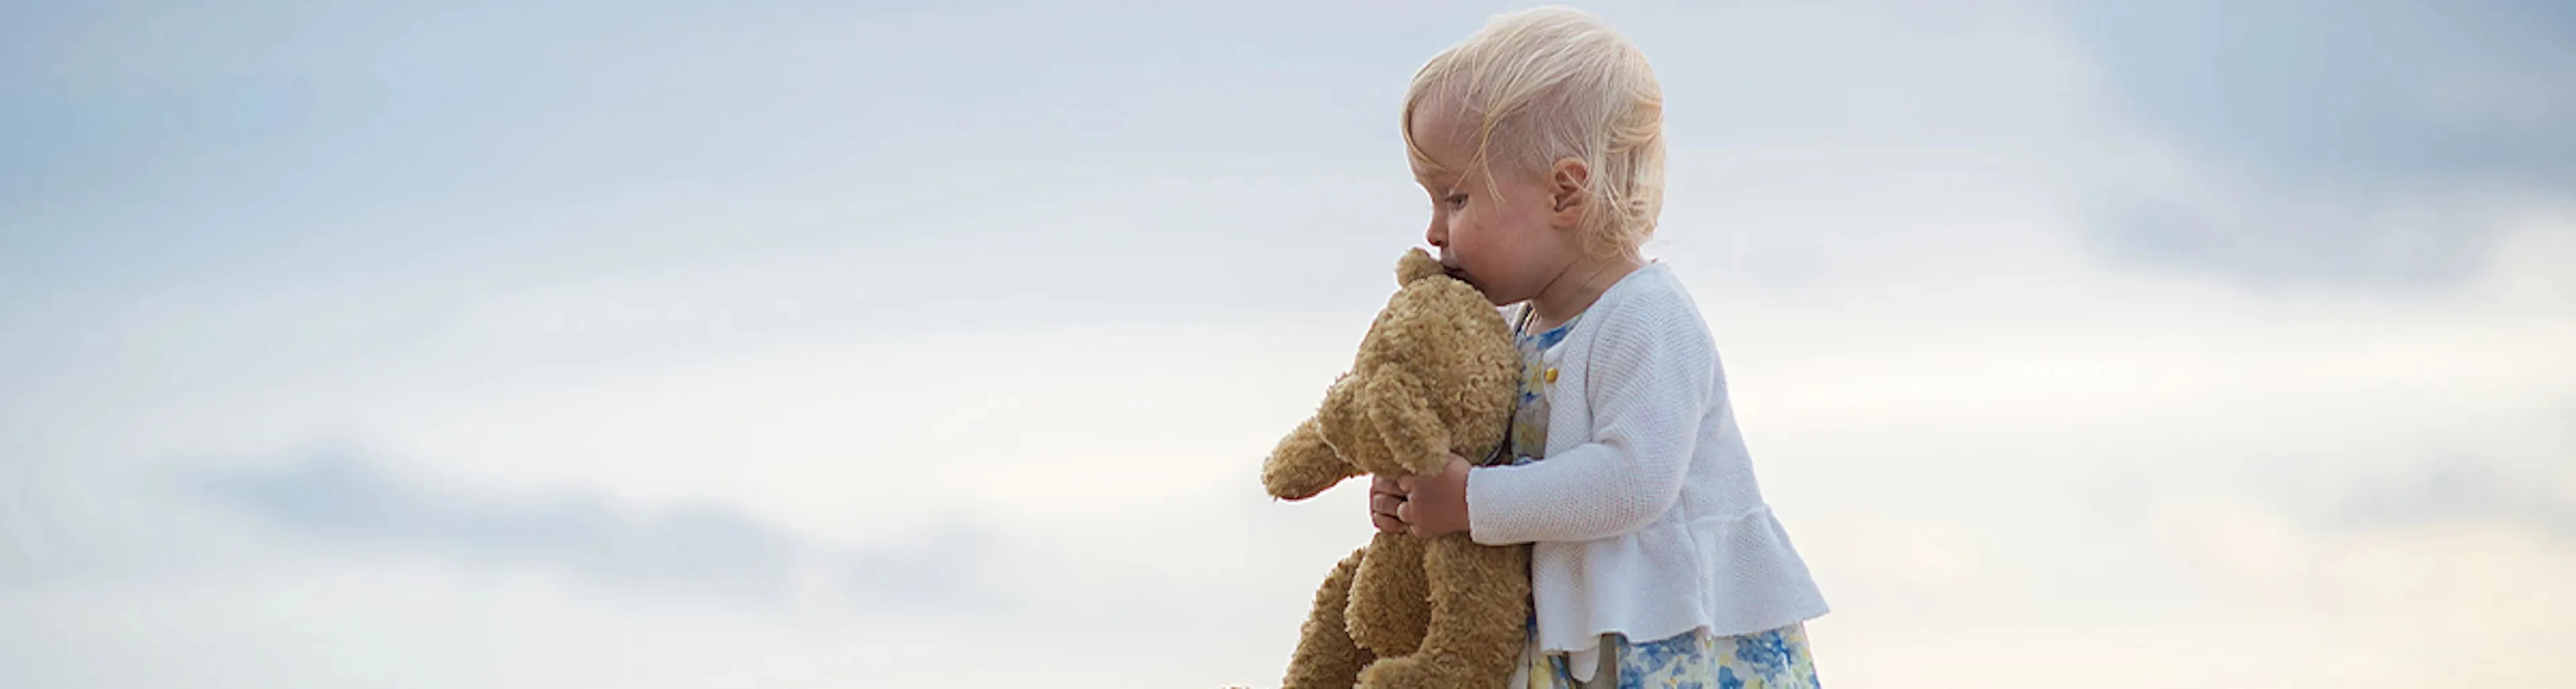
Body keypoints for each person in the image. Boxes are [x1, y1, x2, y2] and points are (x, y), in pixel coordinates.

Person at [1366, 7, 1831, 688]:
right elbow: (1512, 461)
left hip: (1671, 643)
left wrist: (1474, 500)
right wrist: (1419, 490)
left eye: (1456, 198)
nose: (1435, 231)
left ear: (1565, 192)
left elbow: (1632, 480)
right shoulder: (1518, 327)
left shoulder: (1647, 315)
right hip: (1581, 641)